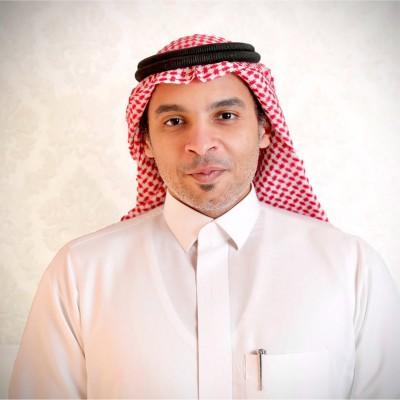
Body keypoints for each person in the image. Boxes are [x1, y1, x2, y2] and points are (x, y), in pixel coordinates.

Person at [9, 34, 400, 399]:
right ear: (146, 142)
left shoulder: (351, 268)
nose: (200, 144)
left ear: (264, 129)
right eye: (174, 122)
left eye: (226, 116)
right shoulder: (80, 272)